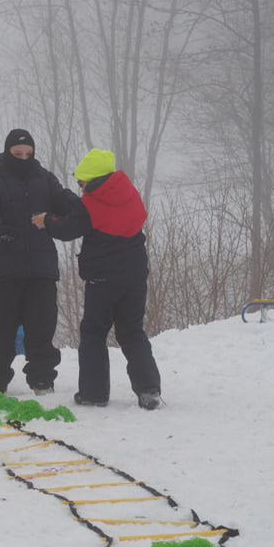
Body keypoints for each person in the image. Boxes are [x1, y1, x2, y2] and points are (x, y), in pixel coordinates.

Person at [31, 149, 161, 410]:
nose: (81, 189)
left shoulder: (92, 203)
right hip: (135, 275)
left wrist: (46, 220)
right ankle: (149, 390)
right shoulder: (130, 194)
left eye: (82, 183)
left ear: (93, 180)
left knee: (93, 332)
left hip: (102, 278)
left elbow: (69, 229)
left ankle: (94, 393)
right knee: (132, 331)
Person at [0, 129, 78, 395]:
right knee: (2, 334)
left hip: (41, 269)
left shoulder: (45, 178)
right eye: (17, 154)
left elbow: (62, 200)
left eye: (28, 154)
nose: (23, 158)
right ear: (7, 152)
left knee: (41, 331)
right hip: (3, 270)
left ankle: (42, 380)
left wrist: (76, 205)